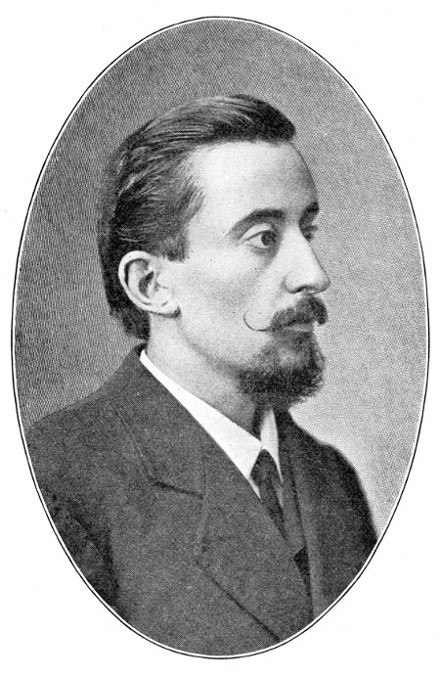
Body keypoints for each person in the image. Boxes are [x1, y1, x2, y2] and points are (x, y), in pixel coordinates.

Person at [27, 95, 376, 656]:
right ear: (151, 285)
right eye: (264, 238)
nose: (314, 275)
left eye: (307, 231)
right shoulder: (51, 485)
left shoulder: (331, 479)